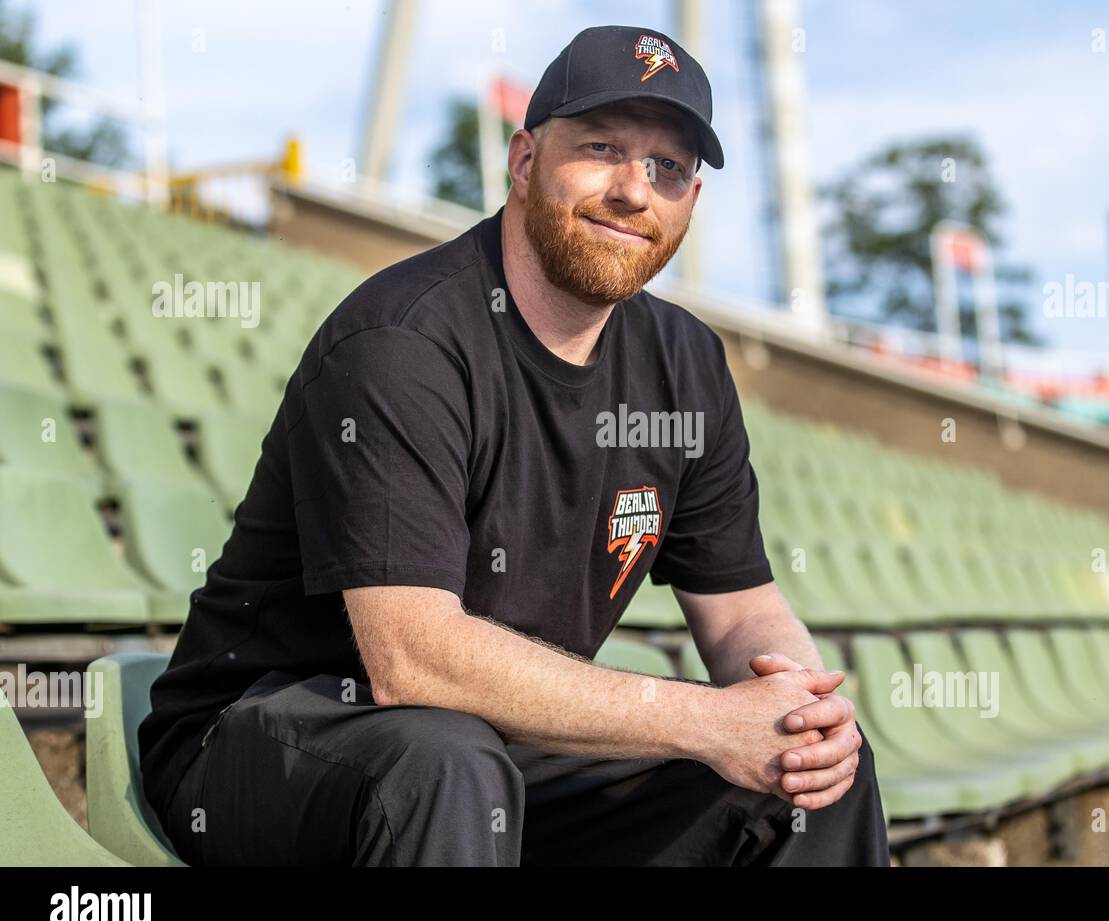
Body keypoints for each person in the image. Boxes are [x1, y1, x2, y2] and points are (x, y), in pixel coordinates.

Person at [138, 23, 890, 866]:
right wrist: (707, 720)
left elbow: (743, 605)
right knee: (441, 761)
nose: (634, 190)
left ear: (691, 201)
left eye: (667, 168)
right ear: (525, 160)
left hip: (498, 747)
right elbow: (411, 659)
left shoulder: (685, 362)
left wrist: (802, 713)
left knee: (805, 778)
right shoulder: (404, 340)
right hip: (273, 735)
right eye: (601, 147)